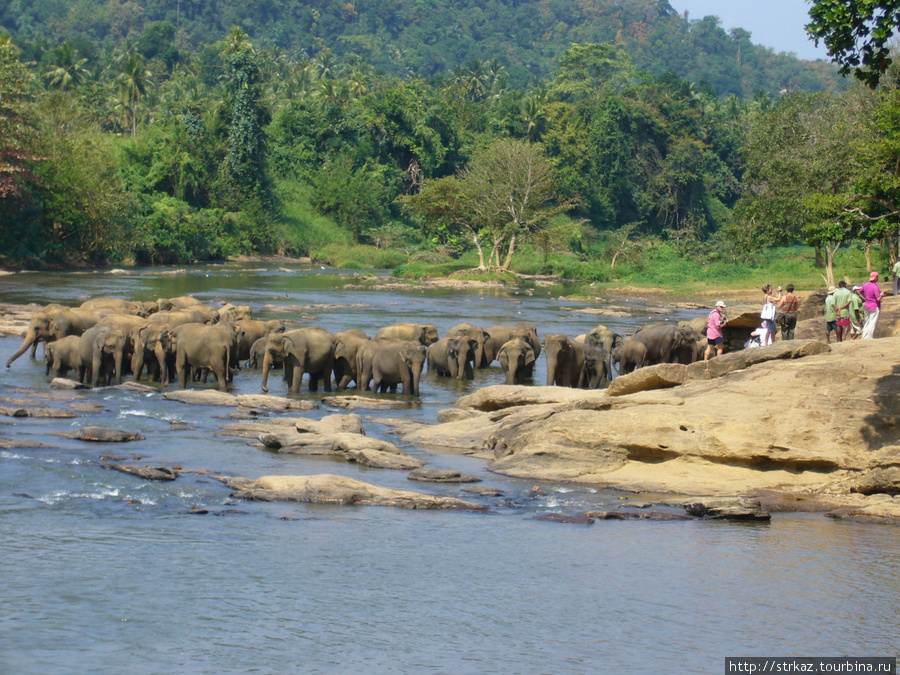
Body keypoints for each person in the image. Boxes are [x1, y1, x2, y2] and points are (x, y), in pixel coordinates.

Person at [861, 271, 885, 339]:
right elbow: (878, 298)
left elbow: (860, 291)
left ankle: (864, 337)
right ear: (876, 278)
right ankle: (870, 337)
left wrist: (865, 298)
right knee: (872, 322)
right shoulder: (875, 287)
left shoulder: (865, 285)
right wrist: (882, 295)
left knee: (867, 322)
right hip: (874, 306)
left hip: (867, 305)